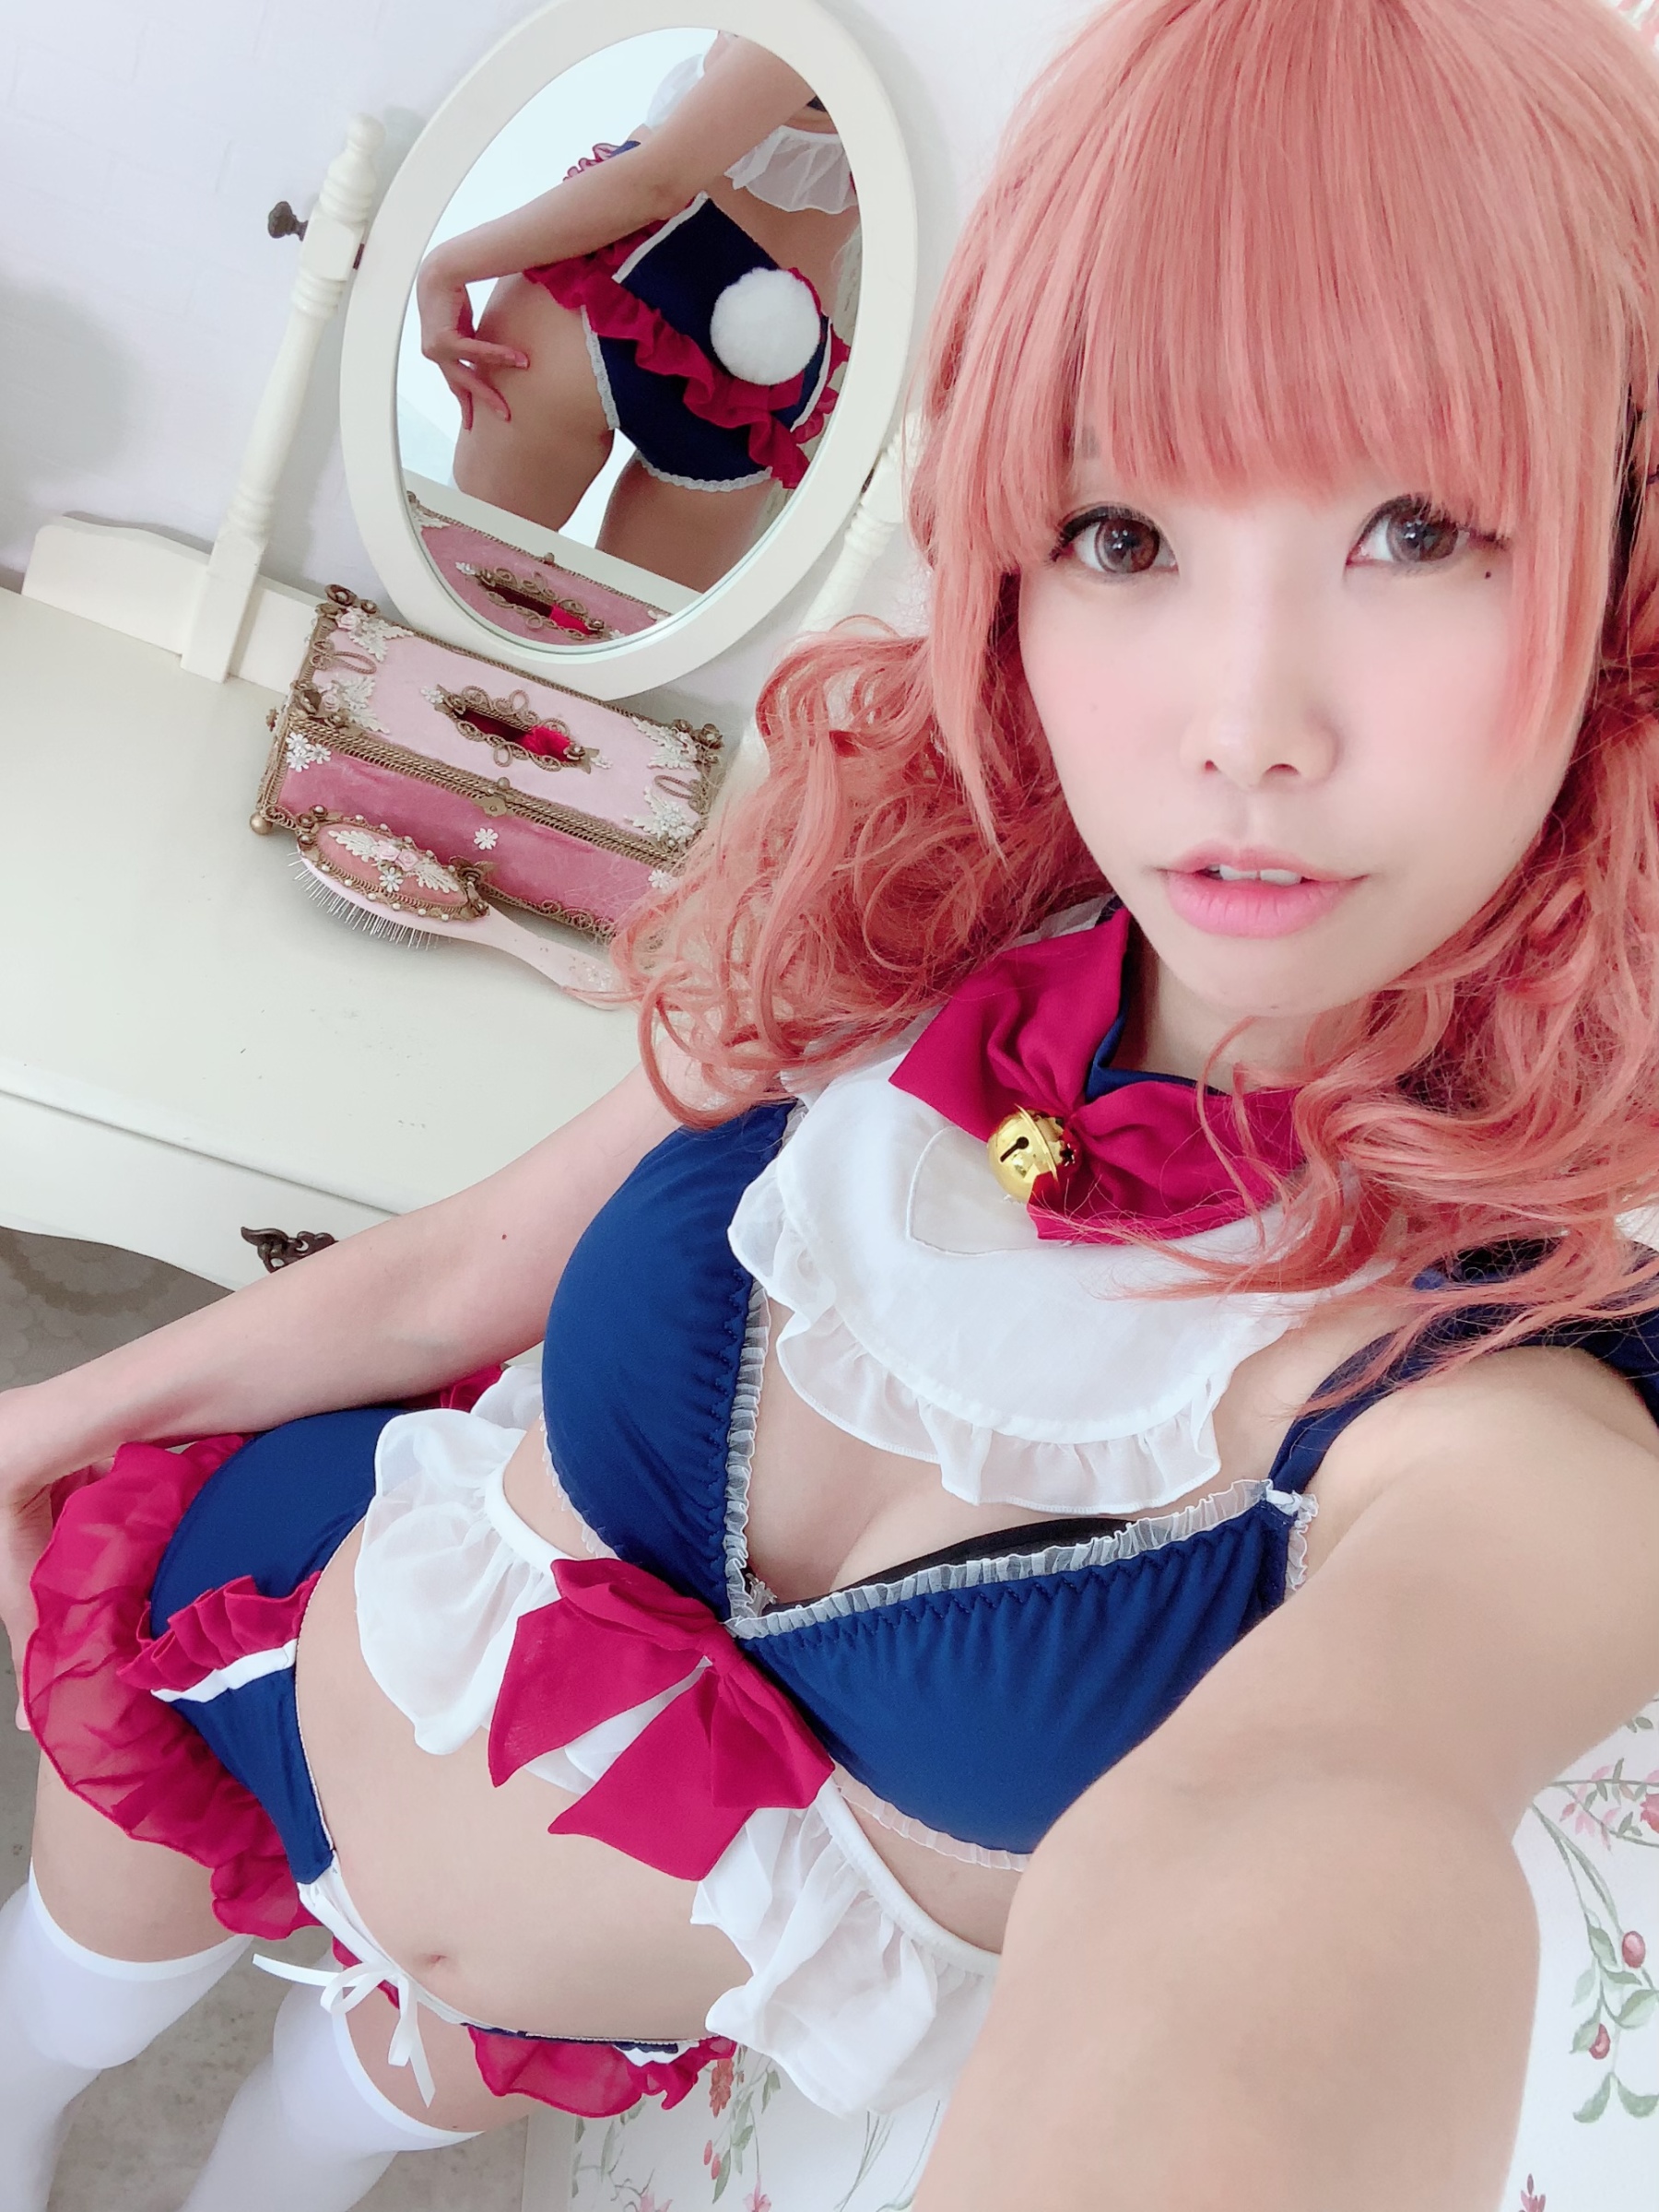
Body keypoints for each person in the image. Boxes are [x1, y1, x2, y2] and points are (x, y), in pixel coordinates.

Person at [5, 1, 1659, 2207]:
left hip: (510, 2026)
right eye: (1122, 529)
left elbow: (1345, 1816)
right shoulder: (906, 926)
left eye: (1419, 525)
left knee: (287, 2163)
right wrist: (38, 1421)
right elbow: (456, 1273)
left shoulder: (1501, 1399)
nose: (1243, 720)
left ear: (1626, 564)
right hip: (264, 1655)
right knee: (39, 2039)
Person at [415, 33, 858, 591]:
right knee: (626, 631)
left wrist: (444, 268)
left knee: (465, 585)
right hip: (770, 363)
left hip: (630, 277)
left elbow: (656, 182)